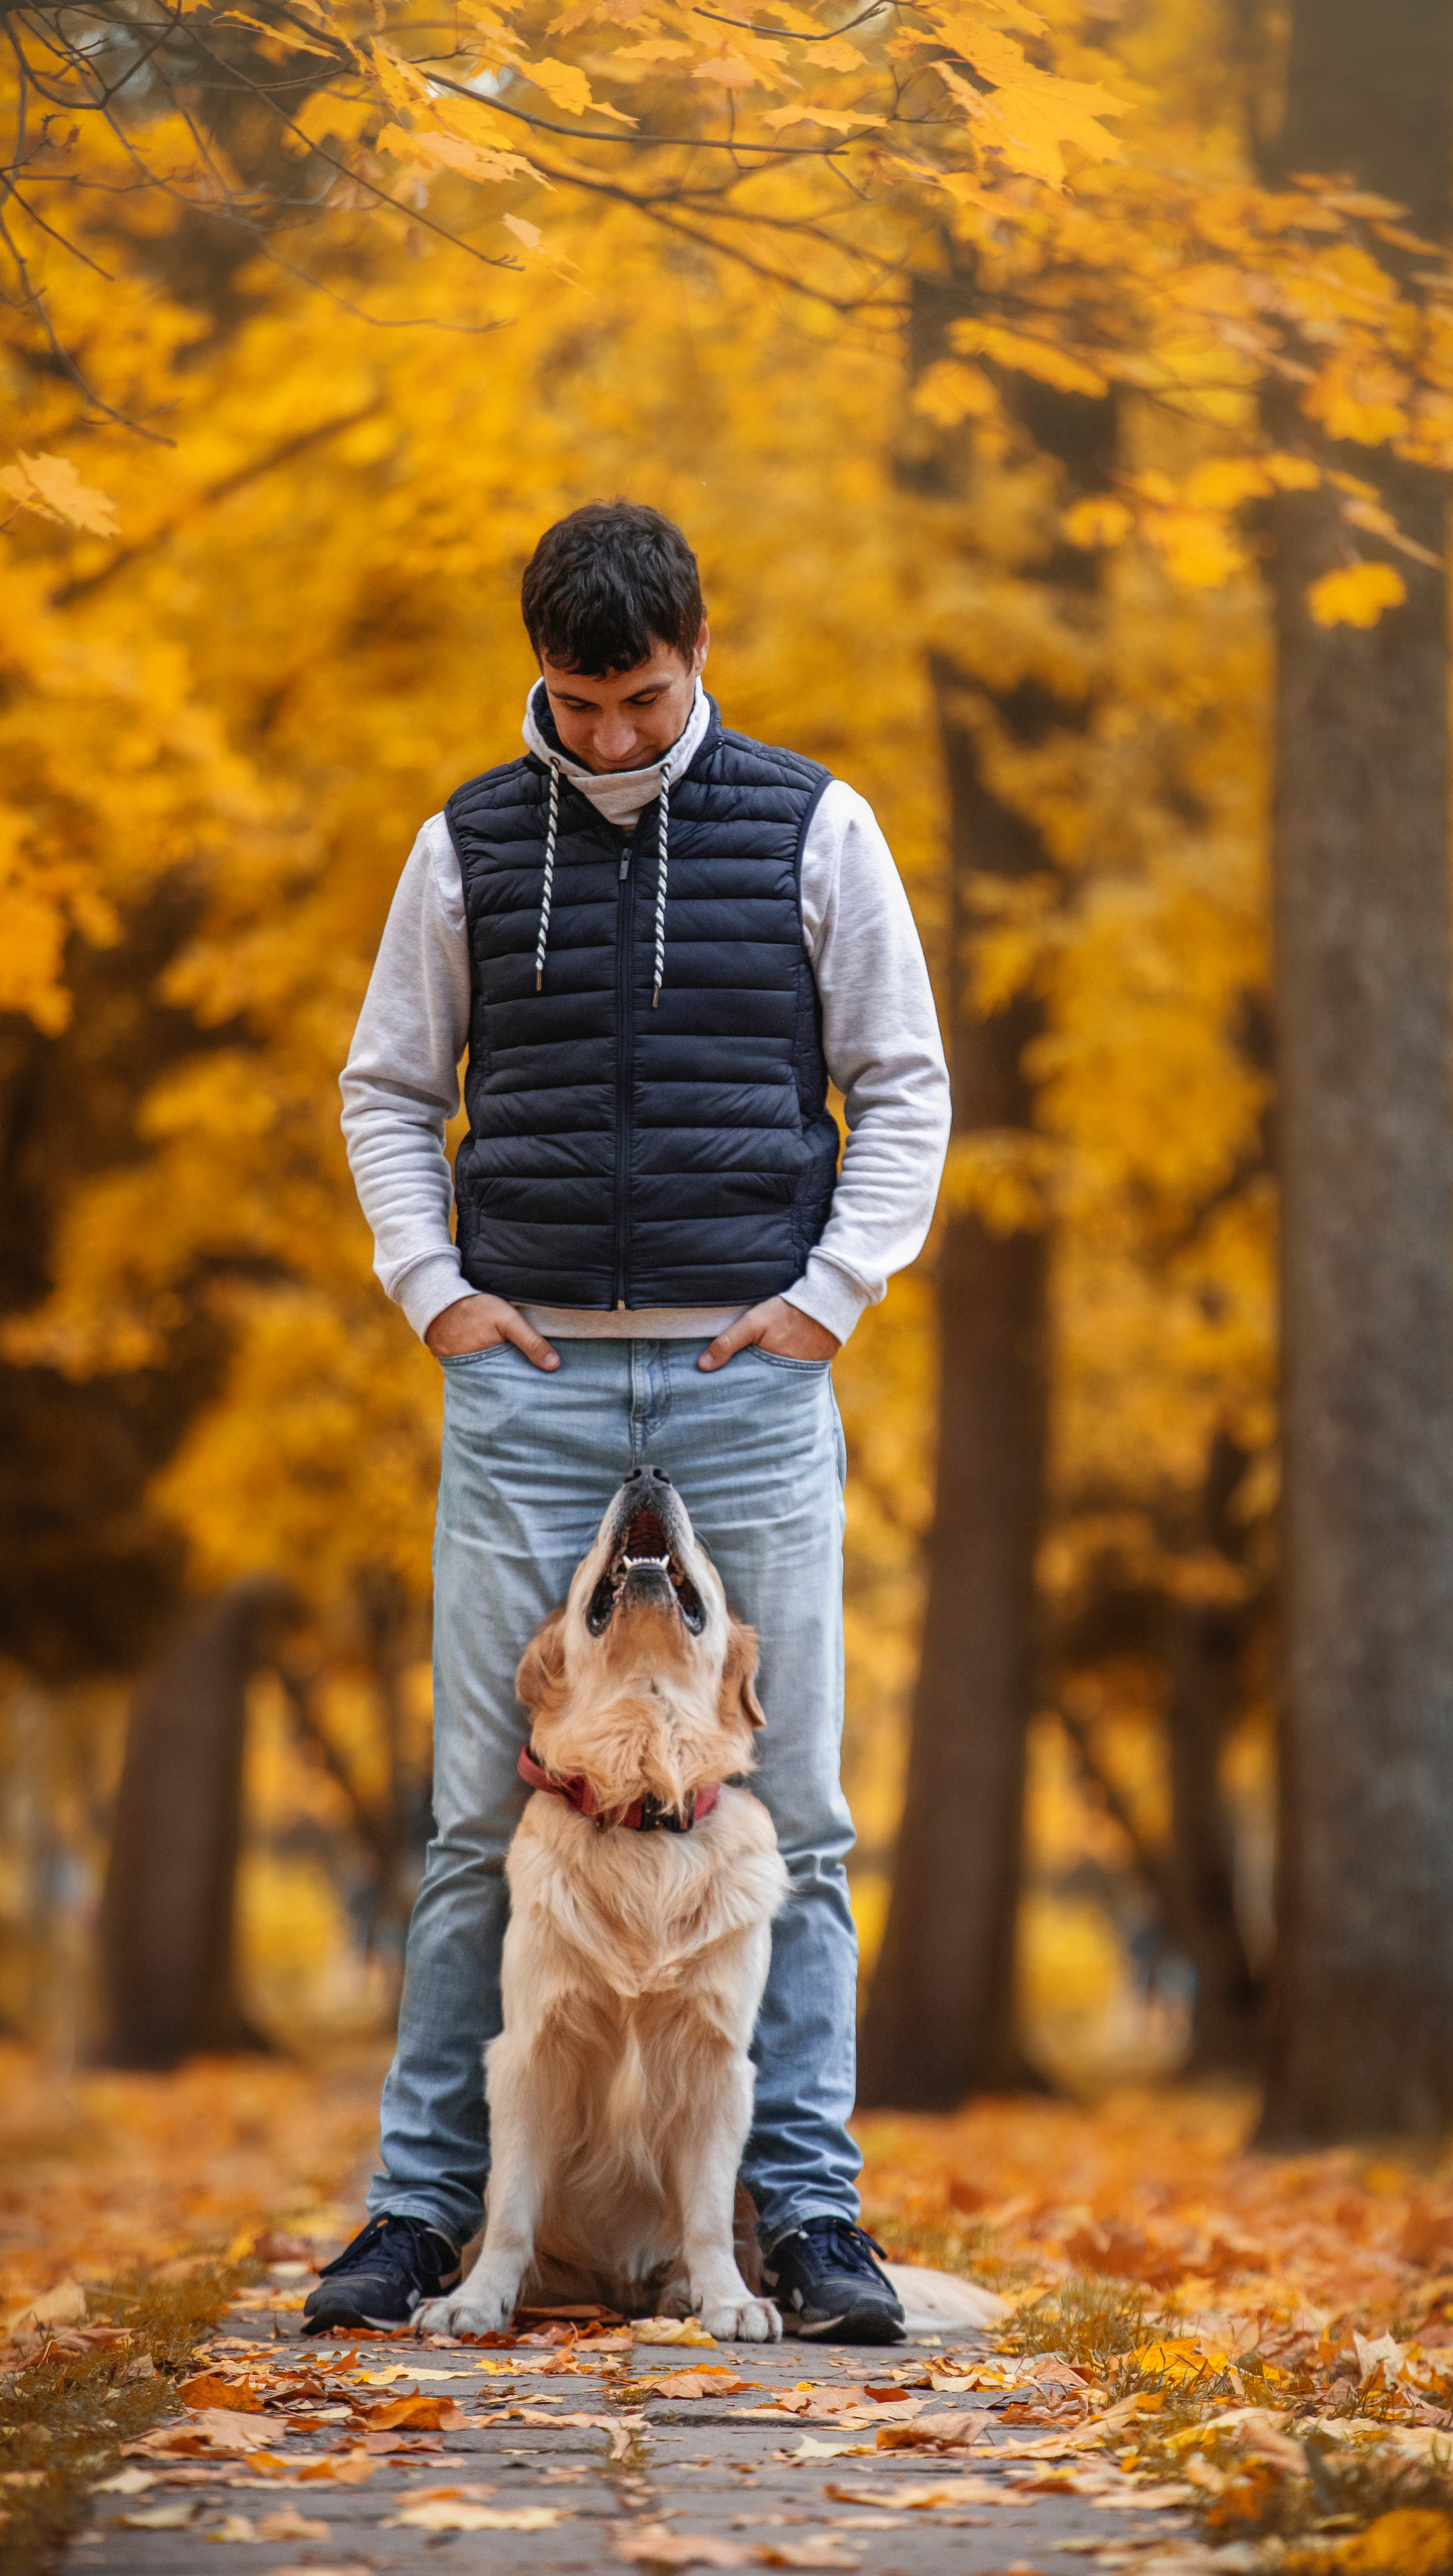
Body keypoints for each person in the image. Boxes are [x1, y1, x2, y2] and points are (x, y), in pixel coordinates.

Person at [308, 501, 950, 2343]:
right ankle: (425, 2218)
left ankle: (811, 2223)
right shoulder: (460, 847)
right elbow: (384, 1087)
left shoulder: (817, 826)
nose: (607, 740)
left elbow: (902, 1082)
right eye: (578, 705)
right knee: (471, 1819)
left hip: (753, 1381)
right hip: (530, 1387)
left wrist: (831, 1299)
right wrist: (432, 1289)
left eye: (641, 702)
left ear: (694, 659)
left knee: (800, 1819)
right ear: (543, 671)